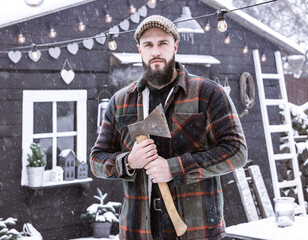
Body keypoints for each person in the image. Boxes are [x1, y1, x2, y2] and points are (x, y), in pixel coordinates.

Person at [90, 15, 247, 240]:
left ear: (175, 46)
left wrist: (175, 168)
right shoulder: (121, 101)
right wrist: (129, 162)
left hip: (196, 229)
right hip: (138, 231)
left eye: (162, 43)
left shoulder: (208, 93)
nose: (156, 51)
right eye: (148, 45)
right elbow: (96, 160)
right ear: (139, 49)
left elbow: (237, 152)